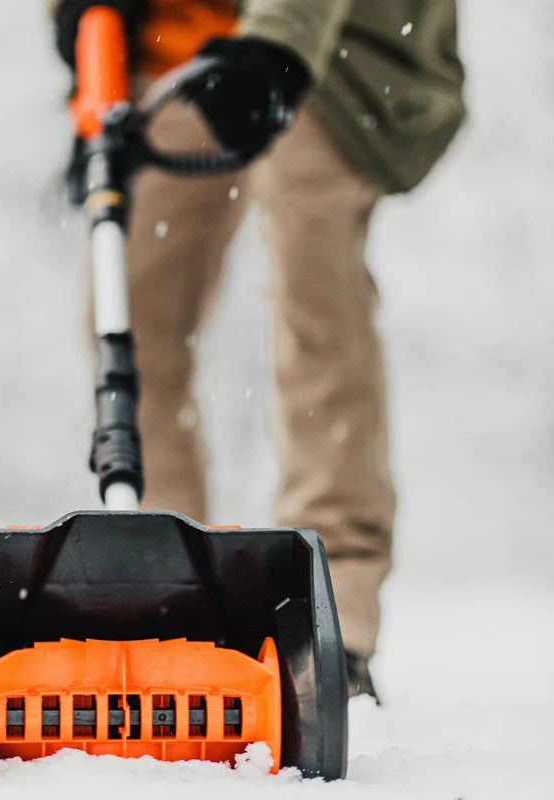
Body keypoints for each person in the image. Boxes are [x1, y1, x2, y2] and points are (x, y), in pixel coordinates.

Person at [49, 0, 466, 697]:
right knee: (128, 310)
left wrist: (279, 46)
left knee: (315, 299)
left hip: (324, 46)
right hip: (177, 48)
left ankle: (332, 608)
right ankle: (167, 588)